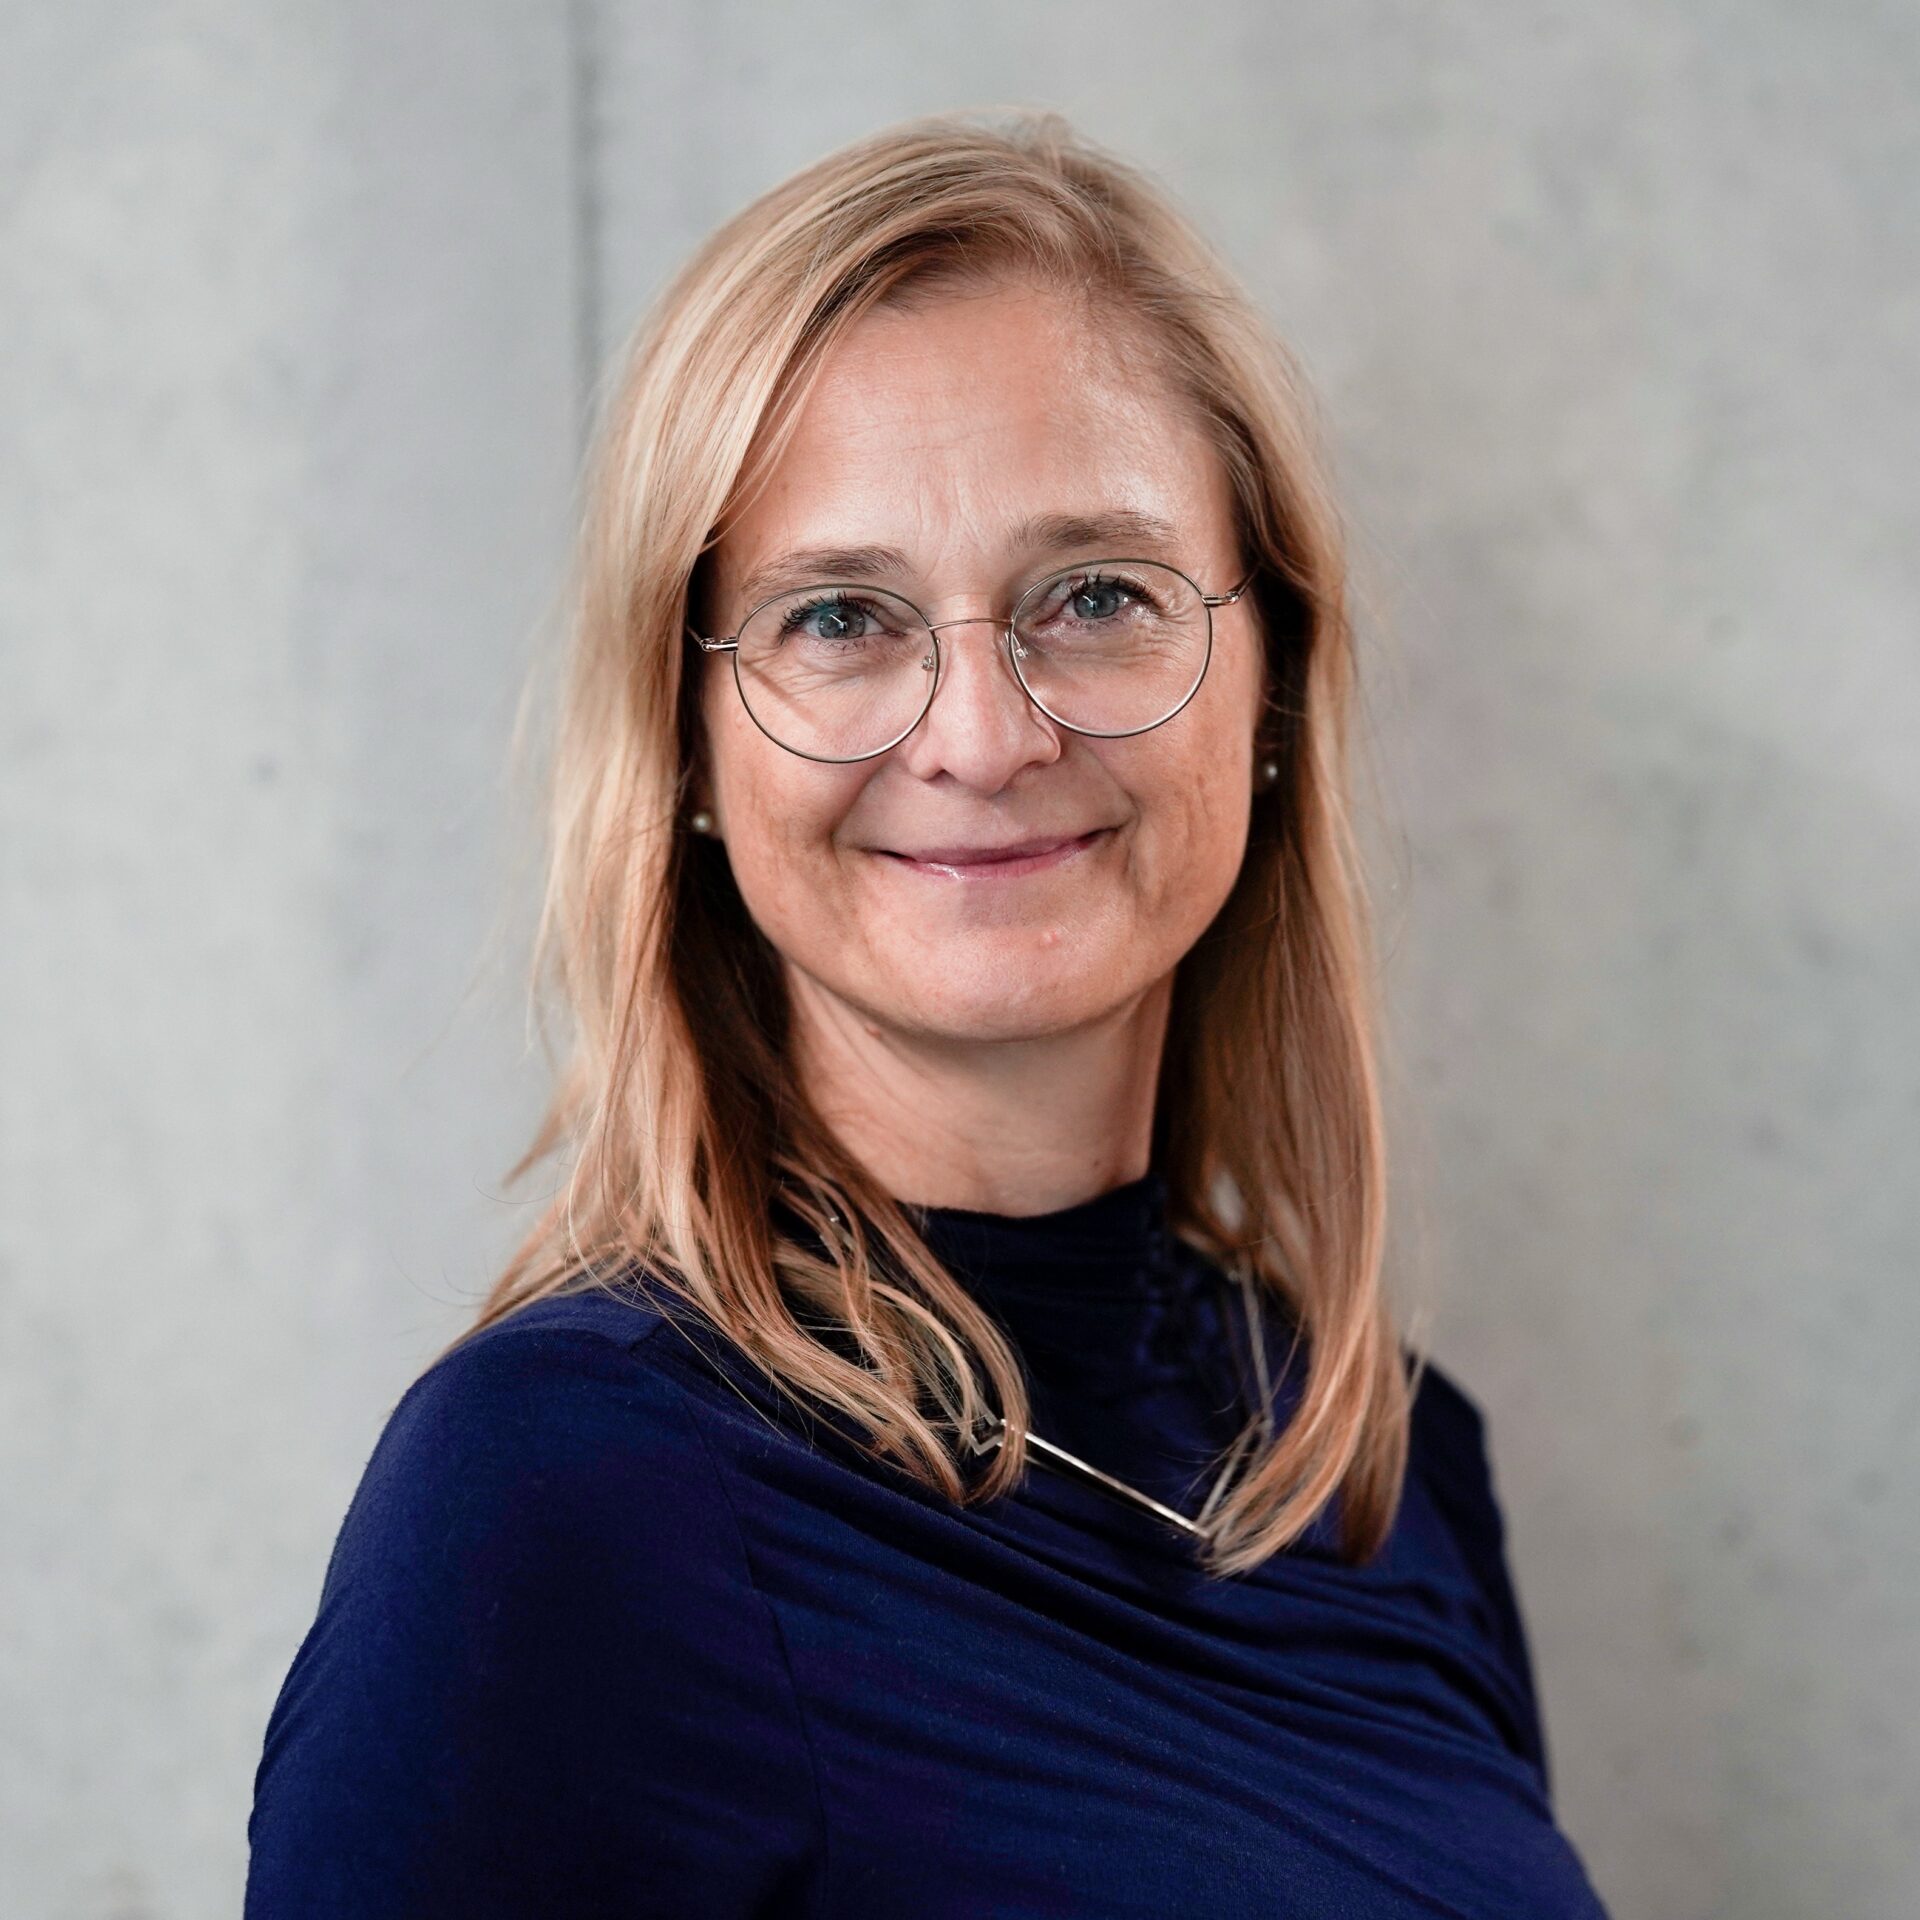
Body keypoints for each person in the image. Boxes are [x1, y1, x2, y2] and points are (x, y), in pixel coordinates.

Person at [244, 109, 1613, 1917]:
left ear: (1270, 684)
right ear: (694, 751)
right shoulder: (565, 1503)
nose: (982, 732)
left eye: (1099, 596)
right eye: (838, 618)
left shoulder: (1379, 1466)